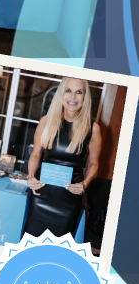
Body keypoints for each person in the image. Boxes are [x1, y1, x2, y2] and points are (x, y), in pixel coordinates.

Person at [23, 77, 101, 238]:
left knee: (58, 248)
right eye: (68, 91)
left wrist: (84, 184)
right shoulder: (46, 122)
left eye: (79, 92)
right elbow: (36, 154)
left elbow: (93, 164)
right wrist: (30, 177)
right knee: (30, 242)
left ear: (85, 97)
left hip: (69, 199)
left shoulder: (92, 129)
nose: (73, 97)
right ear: (61, 94)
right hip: (41, 194)